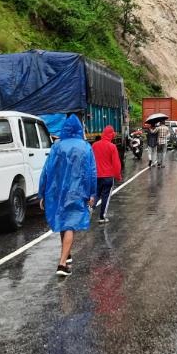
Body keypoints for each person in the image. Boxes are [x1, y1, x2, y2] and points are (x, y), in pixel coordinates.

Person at [39, 114, 97, 277]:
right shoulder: (85, 147)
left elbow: (46, 170)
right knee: (71, 223)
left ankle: (67, 253)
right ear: (79, 129)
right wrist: (92, 192)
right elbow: (91, 172)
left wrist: (42, 192)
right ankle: (62, 264)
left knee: (63, 221)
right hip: (77, 191)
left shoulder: (57, 147)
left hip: (57, 191)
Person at [91, 124, 122, 223]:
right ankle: (102, 217)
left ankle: (90, 210)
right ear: (111, 135)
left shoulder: (95, 145)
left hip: (97, 175)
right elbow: (116, 163)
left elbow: (91, 161)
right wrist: (118, 175)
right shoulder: (112, 146)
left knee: (96, 194)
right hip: (108, 177)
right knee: (106, 196)